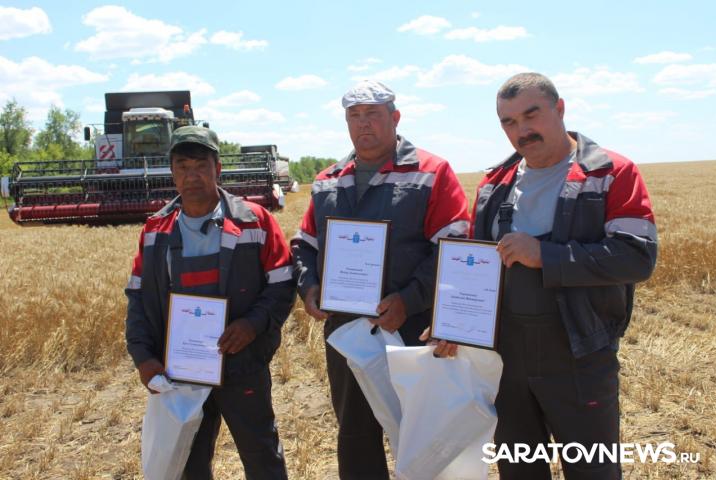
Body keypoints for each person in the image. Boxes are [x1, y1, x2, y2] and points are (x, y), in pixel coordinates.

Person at [460, 72, 657, 479]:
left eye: (531, 115)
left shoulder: (609, 173)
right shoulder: (493, 185)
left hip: (580, 354)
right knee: (519, 470)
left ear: (560, 109)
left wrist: (546, 256)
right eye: (509, 122)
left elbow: (636, 257)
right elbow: (476, 268)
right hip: (507, 361)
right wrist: (454, 322)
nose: (522, 131)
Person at [292, 80, 470, 479]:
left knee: (423, 434)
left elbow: (454, 248)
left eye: (372, 114)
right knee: (355, 435)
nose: (363, 124)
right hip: (346, 332)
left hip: (411, 327)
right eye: (354, 116)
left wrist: (409, 299)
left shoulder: (431, 172)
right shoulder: (328, 180)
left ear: (395, 117)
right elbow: (304, 245)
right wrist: (309, 287)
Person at [125, 125, 295, 480]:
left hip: (242, 363)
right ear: (172, 173)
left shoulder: (254, 221)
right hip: (180, 371)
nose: (192, 176)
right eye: (183, 166)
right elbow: (138, 297)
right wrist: (143, 357)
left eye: (201, 165)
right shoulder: (155, 230)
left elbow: (283, 283)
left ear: (217, 168)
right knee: (190, 462)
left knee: (261, 455)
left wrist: (252, 325)